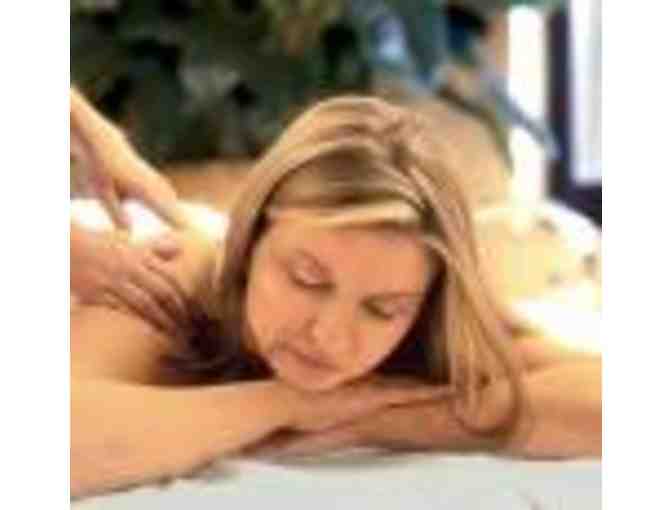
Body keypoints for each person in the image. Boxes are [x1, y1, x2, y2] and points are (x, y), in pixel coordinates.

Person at [70, 95, 601, 498]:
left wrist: (376, 419)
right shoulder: (173, 278)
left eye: (382, 309)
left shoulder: (429, 317)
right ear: (250, 242)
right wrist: (286, 404)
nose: (330, 336)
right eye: (307, 279)